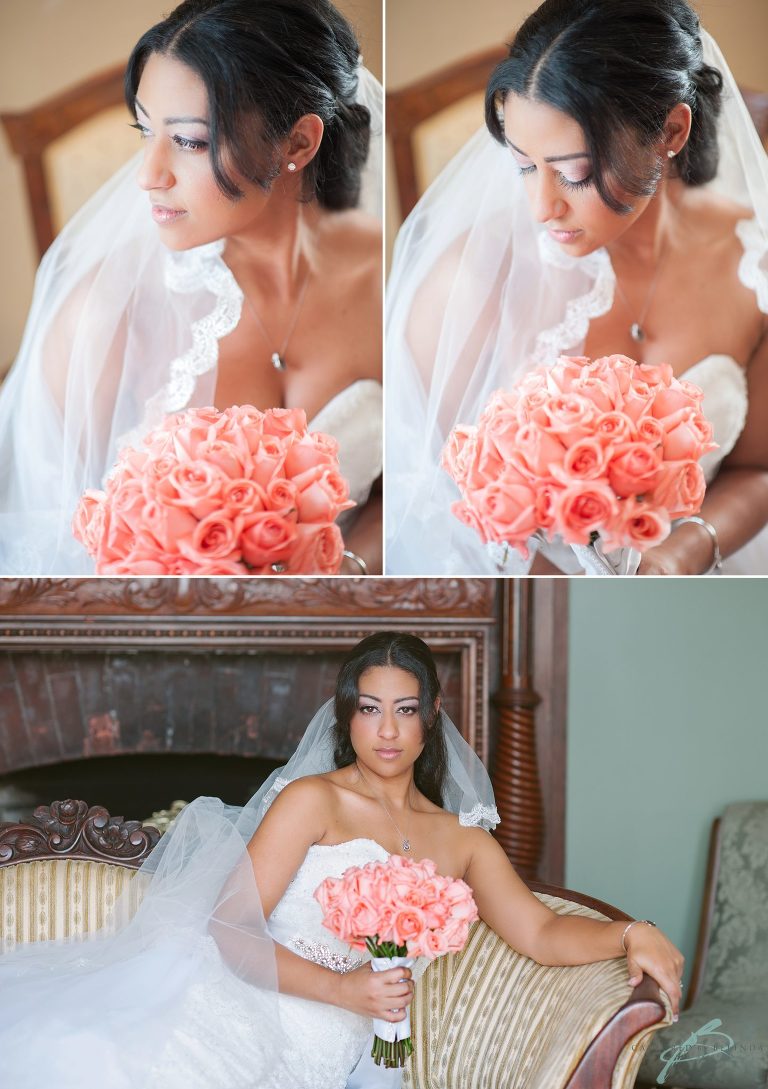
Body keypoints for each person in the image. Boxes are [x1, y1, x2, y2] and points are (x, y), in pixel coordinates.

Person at [0, 631, 684, 1089]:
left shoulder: (464, 839)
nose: (387, 730)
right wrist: (344, 990)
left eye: (406, 709)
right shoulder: (312, 800)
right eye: (369, 708)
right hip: (240, 1007)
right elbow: (230, 925)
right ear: (346, 715)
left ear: (432, 715)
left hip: (337, 1051)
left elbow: (539, 931)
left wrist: (631, 932)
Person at [385, 0, 768, 576]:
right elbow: (438, 502)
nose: (542, 207)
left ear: (670, 130)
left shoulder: (752, 260)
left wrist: (676, 557)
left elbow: (757, 469)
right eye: (523, 165)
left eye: (574, 171)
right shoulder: (468, 280)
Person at [0, 0, 383, 576]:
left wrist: (344, 567)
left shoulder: (388, 277)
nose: (147, 174)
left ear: (299, 144)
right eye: (145, 131)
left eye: (190, 141)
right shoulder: (105, 316)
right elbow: (47, 544)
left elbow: (406, 488)